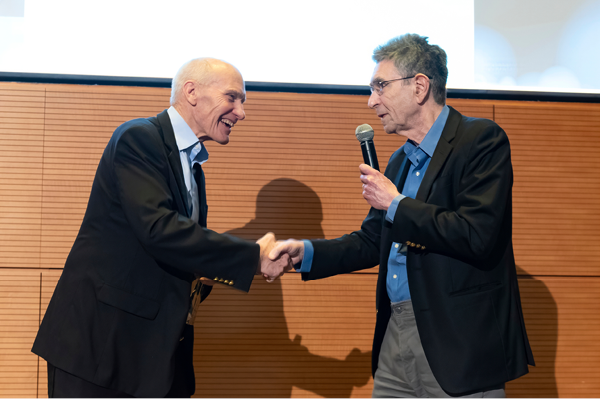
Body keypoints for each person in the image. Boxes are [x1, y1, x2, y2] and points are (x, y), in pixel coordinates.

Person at [271, 34, 535, 397]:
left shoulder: (480, 140)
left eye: (380, 86)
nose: (371, 102)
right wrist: (307, 252)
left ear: (420, 86)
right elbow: (373, 240)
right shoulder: (398, 160)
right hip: (396, 334)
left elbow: (478, 233)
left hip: (458, 340)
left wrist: (395, 204)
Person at [31, 58, 291, 398]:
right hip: (102, 350)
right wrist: (252, 257)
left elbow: (176, 251)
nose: (240, 112)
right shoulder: (139, 138)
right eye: (232, 97)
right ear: (192, 92)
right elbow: (160, 229)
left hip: (152, 354)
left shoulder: (194, 167)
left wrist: (207, 271)